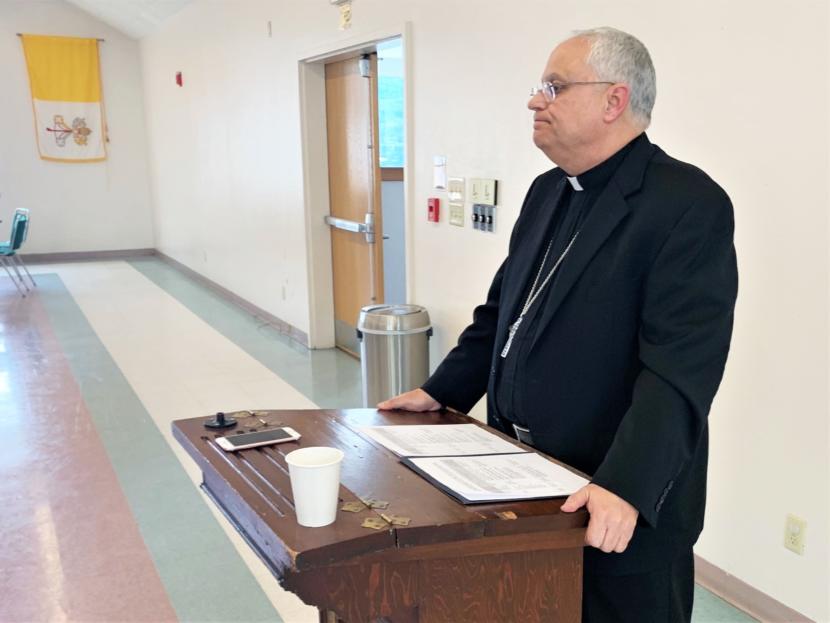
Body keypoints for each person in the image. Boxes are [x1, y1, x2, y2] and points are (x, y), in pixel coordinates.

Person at [378, 27, 738, 623]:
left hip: (617, 504)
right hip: (524, 485)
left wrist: (623, 486)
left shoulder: (687, 204)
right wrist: (440, 392)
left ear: (613, 101)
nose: (534, 100)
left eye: (555, 86)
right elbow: (502, 314)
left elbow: (680, 372)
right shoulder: (548, 191)